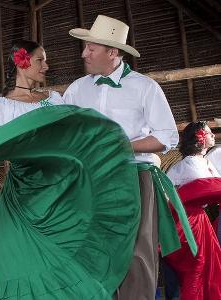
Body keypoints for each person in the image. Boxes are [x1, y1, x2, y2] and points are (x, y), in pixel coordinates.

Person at [0, 40, 142, 299]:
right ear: (21, 62)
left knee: (63, 259)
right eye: (40, 60)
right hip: (21, 200)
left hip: (60, 195)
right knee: (20, 264)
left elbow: (73, 138)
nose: (46, 66)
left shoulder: (54, 101)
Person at [63, 15, 180, 300]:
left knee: (137, 249)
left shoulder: (144, 87)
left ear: (112, 52)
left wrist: (120, 147)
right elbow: (65, 133)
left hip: (134, 176)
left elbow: (167, 137)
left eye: (91, 48)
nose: (84, 54)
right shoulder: (77, 89)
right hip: (90, 179)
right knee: (92, 246)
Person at [165, 121, 221, 300]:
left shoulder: (205, 162)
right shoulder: (187, 165)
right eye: (209, 133)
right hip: (184, 220)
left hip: (199, 219)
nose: (213, 135)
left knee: (206, 265)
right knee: (198, 264)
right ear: (199, 138)